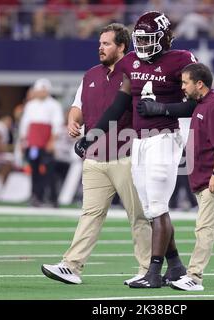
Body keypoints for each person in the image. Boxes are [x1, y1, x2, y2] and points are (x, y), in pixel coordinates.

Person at [74, 11, 197, 288]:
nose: (142, 45)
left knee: (156, 206)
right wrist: (92, 135)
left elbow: (197, 100)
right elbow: (118, 106)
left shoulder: (181, 60)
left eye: (149, 39)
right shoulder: (130, 61)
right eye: (139, 39)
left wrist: (162, 108)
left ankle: (153, 272)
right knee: (151, 207)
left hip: (166, 136)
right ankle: (175, 265)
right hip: (139, 140)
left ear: (165, 38)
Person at [41, 23, 152, 285]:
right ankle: (71, 265)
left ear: (122, 46)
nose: (100, 48)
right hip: (94, 157)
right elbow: (77, 106)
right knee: (90, 214)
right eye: (100, 43)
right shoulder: (90, 74)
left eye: (106, 43)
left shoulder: (136, 74)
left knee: (138, 216)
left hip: (126, 154)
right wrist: (72, 120)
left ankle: (148, 269)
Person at [140, 63, 214, 291]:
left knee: (204, 228)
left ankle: (194, 276)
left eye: (185, 82)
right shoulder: (202, 104)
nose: (182, 87)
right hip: (205, 177)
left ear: (199, 84)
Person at [18, 78, 64, 207]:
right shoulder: (30, 105)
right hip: (33, 143)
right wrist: (23, 141)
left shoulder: (54, 105)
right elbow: (25, 124)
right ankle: (36, 196)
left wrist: (51, 142)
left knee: (49, 171)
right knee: (34, 170)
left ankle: (52, 198)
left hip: (46, 142)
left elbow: (57, 124)